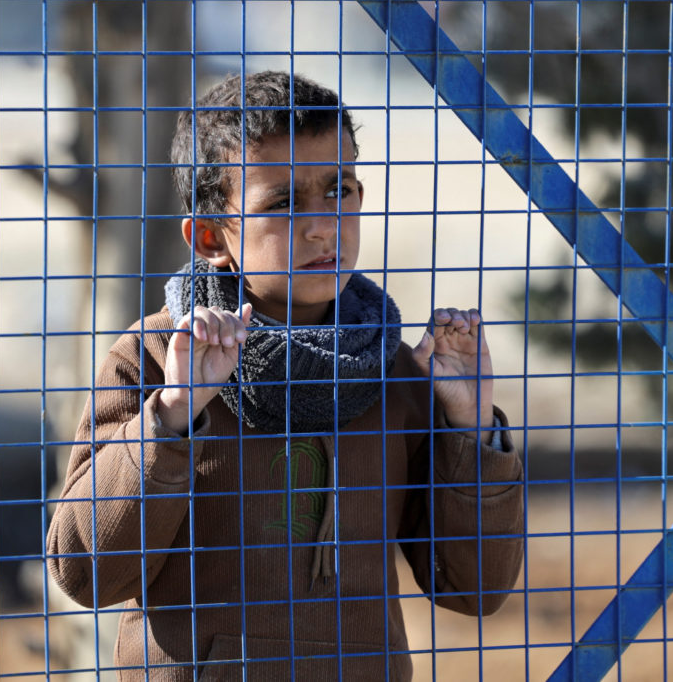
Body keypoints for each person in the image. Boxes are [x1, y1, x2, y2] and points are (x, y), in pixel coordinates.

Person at [47, 70, 524, 681]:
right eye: (284, 202)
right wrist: (171, 414)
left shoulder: (395, 371)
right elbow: (83, 572)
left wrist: (471, 428)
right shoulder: (153, 358)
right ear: (211, 237)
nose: (325, 224)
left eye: (340, 189)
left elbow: (474, 589)